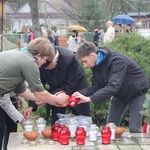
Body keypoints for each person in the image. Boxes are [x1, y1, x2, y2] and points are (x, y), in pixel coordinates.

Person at [0, 37, 68, 150]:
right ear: (38, 55)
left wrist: (49, 99)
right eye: (45, 60)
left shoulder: (20, 55)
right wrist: (56, 100)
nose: (44, 64)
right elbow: (39, 92)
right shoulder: (29, 62)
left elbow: (21, 90)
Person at [72, 42, 149, 133]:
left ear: (92, 55)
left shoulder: (117, 61)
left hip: (137, 92)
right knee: (109, 127)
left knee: (134, 129)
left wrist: (90, 98)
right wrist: (81, 93)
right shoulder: (95, 64)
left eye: (85, 61)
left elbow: (113, 87)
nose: (85, 65)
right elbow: (97, 86)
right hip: (119, 93)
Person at [23, 46, 90, 125]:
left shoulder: (70, 58)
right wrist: (32, 105)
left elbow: (70, 86)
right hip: (56, 89)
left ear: (56, 59)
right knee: (56, 120)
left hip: (76, 86)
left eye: (47, 66)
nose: (45, 68)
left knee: (81, 119)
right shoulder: (42, 61)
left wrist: (47, 98)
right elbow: (37, 85)